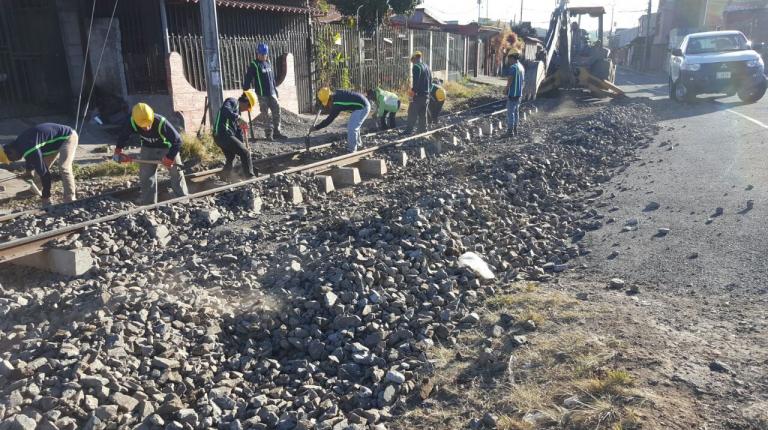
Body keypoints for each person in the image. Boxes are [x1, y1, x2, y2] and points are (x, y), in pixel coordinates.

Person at [114, 103, 189, 205]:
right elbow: (123, 136)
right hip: (147, 148)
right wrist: (118, 150)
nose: (147, 128)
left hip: (167, 148)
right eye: (144, 126)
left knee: (176, 172)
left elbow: (178, 141)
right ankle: (148, 204)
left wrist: (170, 157)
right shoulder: (132, 122)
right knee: (146, 175)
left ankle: (183, 200)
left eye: (149, 124)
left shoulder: (161, 122)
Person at [0, 123, 79, 206]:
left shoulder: (29, 147)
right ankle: (36, 189)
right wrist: (28, 172)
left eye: (11, 159)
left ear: (10, 152)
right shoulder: (19, 144)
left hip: (67, 137)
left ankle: (70, 197)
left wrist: (45, 197)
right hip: (51, 143)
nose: (13, 161)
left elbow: (45, 174)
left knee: (64, 167)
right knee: (39, 168)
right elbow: (30, 158)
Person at [242, 42, 287, 141]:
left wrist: (275, 90)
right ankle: (268, 134)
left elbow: (272, 79)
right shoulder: (254, 64)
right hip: (262, 95)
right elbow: (248, 77)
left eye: (265, 54)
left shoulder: (268, 63)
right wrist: (245, 90)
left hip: (272, 93)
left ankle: (277, 132)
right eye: (261, 54)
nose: (263, 56)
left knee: (277, 110)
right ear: (257, 54)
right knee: (265, 114)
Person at [213, 91, 257, 180]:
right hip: (223, 134)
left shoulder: (237, 113)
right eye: (248, 107)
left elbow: (238, 132)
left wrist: (243, 145)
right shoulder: (232, 101)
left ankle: (223, 178)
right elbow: (225, 110)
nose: (247, 110)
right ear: (246, 101)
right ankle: (250, 177)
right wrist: (238, 117)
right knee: (245, 153)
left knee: (232, 158)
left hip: (222, 137)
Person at [313, 87, 371, 153]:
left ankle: (352, 150)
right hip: (362, 104)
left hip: (363, 107)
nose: (328, 105)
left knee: (352, 128)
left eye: (327, 103)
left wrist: (316, 127)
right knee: (354, 126)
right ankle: (358, 144)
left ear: (329, 99)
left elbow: (329, 119)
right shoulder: (337, 94)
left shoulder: (338, 104)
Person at [404, 51, 432, 134]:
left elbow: (416, 82)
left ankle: (409, 130)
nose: (412, 63)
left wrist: (413, 93)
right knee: (423, 113)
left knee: (412, 112)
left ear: (414, 58)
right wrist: (428, 92)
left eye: (412, 61)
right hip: (426, 94)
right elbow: (430, 82)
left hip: (418, 95)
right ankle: (423, 129)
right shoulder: (427, 66)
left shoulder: (416, 67)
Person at [504, 49, 525, 136]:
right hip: (519, 94)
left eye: (509, 58)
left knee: (510, 112)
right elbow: (523, 81)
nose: (508, 60)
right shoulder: (521, 67)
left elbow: (510, 80)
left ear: (512, 57)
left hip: (512, 94)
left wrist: (506, 89)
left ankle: (510, 131)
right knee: (516, 112)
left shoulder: (513, 67)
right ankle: (515, 129)